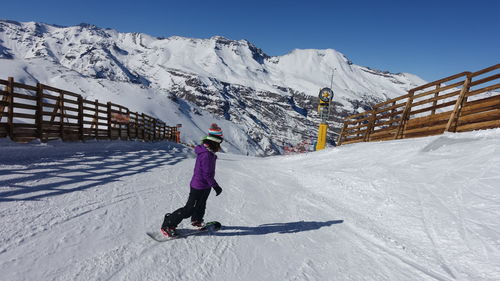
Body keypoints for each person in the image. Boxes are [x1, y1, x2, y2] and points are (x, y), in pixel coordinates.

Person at [160, 123, 224, 237]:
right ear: (215, 142)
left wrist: (211, 185)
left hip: (205, 185)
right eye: (220, 142)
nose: (220, 146)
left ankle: (196, 220)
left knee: (201, 204)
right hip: (199, 185)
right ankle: (168, 224)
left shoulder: (208, 152)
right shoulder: (207, 155)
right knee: (189, 209)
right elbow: (206, 174)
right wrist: (216, 186)